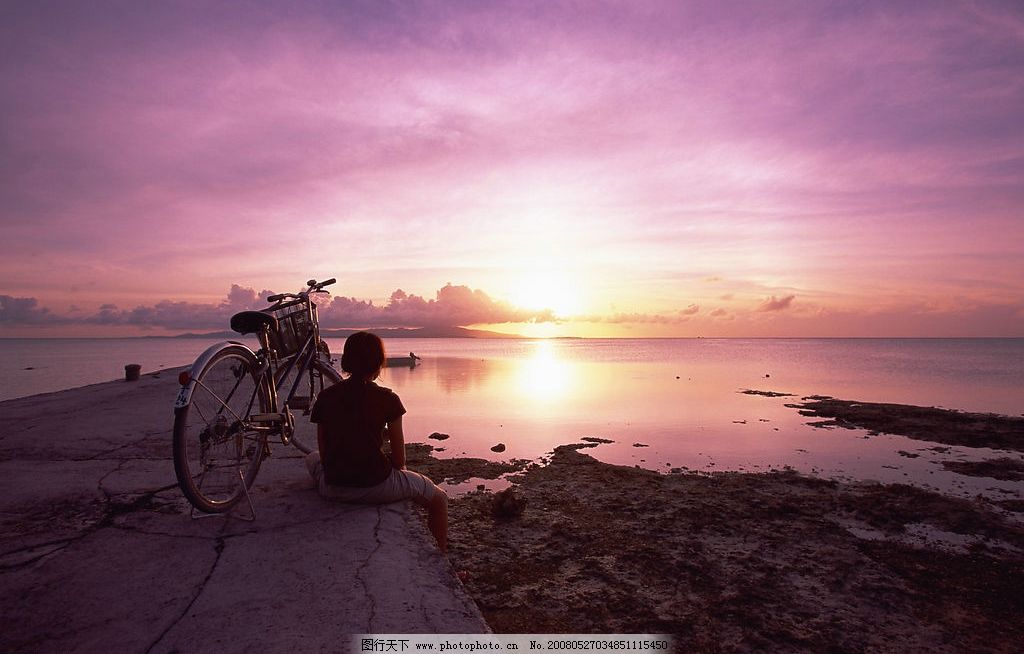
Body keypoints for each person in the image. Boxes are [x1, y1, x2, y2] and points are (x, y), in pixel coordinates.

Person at [306, 331, 448, 552]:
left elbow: (324, 454)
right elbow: (400, 460)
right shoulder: (388, 399)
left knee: (311, 457)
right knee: (439, 499)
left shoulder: (326, 397)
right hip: (375, 486)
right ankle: (443, 558)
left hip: (332, 487)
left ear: (346, 360)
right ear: (378, 363)